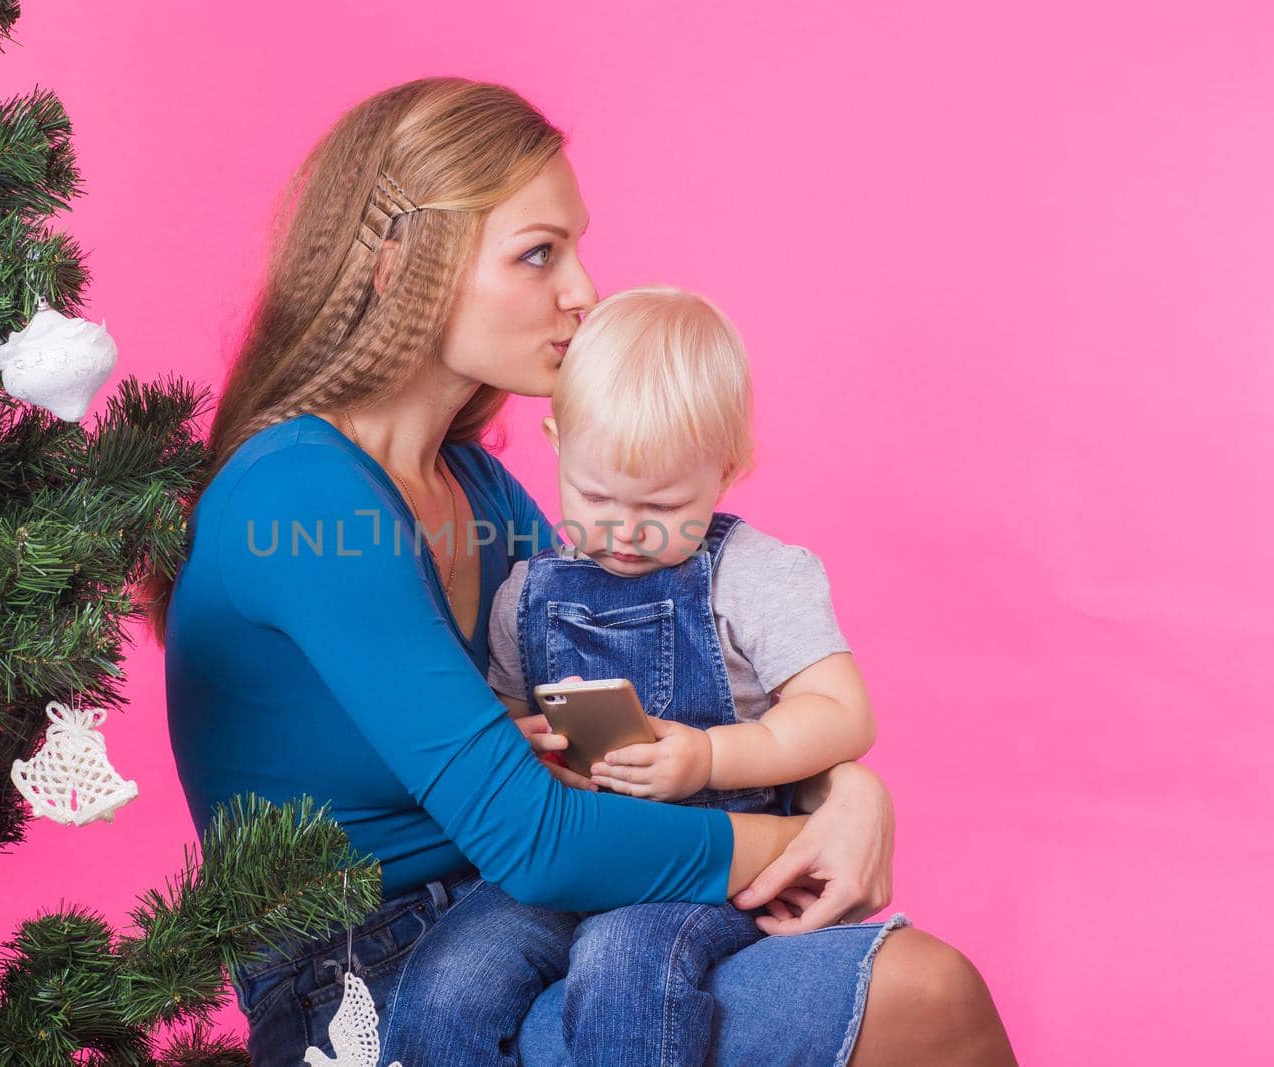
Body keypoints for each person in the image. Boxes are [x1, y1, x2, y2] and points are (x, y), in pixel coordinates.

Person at [152, 77, 1017, 1066]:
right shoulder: (302, 496)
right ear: (399, 266)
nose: (583, 292)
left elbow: (603, 722)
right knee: (923, 995)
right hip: (380, 984)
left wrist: (851, 796)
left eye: (574, 248)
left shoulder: (478, 491)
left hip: (540, 921)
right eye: (537, 253)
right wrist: (791, 841)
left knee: (915, 986)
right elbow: (538, 834)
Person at [382, 285, 884, 1067]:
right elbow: (504, 713)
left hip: (701, 868)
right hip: (573, 857)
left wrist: (710, 757)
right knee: (452, 976)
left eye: (659, 504)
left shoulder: (754, 575)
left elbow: (841, 713)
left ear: (727, 470)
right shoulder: (531, 590)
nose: (621, 529)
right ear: (555, 443)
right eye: (594, 496)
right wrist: (531, 750)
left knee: (624, 965)